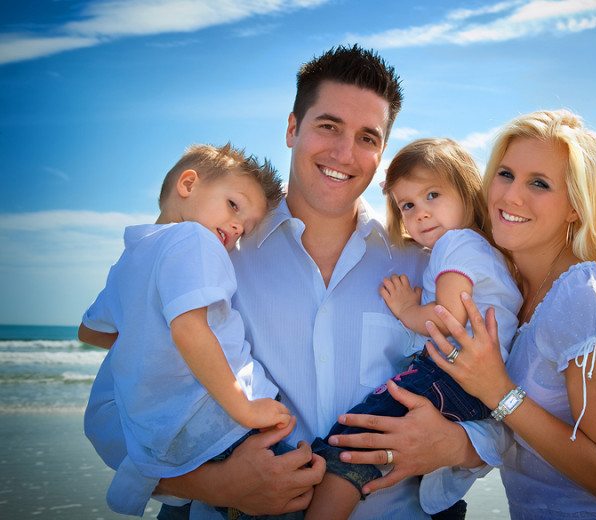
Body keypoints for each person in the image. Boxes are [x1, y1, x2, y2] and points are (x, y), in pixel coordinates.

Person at [84, 45, 496, 520]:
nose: (345, 152)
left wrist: (455, 445)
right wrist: (218, 484)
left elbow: (504, 404)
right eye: (328, 126)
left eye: (367, 137)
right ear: (291, 129)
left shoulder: (429, 266)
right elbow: (110, 414)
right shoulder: (212, 254)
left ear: (381, 152)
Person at [424, 110, 596, 519]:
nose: (511, 196)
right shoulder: (513, 290)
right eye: (505, 175)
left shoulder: (588, 295)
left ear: (575, 206)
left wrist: (499, 392)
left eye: (539, 183)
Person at [304, 138, 523, 520]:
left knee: (350, 445)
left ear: (468, 191)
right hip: (476, 392)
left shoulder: (456, 243)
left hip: (448, 374)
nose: (420, 214)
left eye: (433, 195)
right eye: (408, 205)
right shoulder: (491, 254)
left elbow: (444, 319)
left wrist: (408, 309)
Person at [79, 143, 291, 516]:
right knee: (303, 485)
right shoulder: (194, 238)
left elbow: (90, 331)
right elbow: (191, 332)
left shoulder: (129, 259)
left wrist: (146, 339)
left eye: (247, 226)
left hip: (170, 442)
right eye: (233, 205)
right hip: (223, 423)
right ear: (188, 183)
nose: (238, 227)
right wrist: (244, 409)